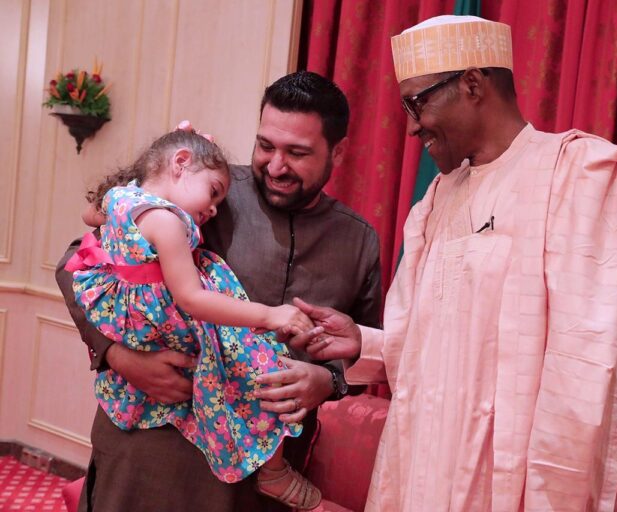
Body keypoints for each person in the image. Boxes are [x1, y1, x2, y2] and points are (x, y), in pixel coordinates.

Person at [291, 15, 617, 511]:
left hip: (520, 482)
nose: (411, 126)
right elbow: (435, 347)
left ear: (472, 83)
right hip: (426, 466)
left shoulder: (585, 179)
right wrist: (365, 343)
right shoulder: (437, 200)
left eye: (417, 103)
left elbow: (596, 367)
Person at [55, 71, 382, 512]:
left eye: (298, 153)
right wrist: (117, 355)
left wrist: (327, 381)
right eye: (265, 146)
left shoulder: (357, 241)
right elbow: (79, 262)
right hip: (155, 449)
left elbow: (361, 348)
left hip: (262, 475)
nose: (276, 166)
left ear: (337, 152)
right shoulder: (209, 194)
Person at [65, 129, 322, 509]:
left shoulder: (121, 197)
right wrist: (270, 315)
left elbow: (90, 216)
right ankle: (272, 470)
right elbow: (191, 298)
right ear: (181, 163)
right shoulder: (167, 221)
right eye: (214, 191)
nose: (214, 209)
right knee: (260, 365)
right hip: (171, 315)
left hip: (128, 317)